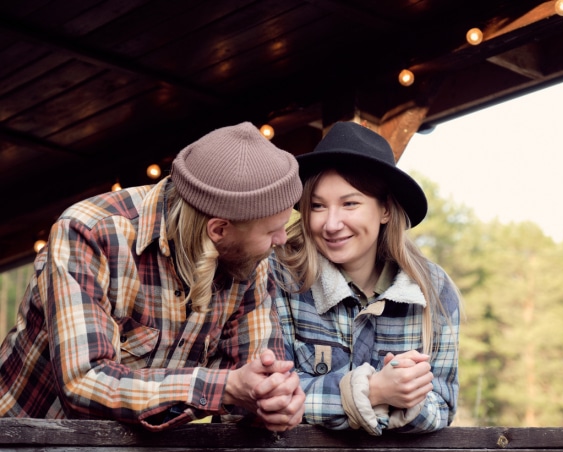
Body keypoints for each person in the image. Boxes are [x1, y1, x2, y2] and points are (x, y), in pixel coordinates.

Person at [0, 122, 305, 432]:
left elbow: (253, 383)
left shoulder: (249, 258)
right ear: (219, 230)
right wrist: (224, 387)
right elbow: (83, 383)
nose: (281, 239)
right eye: (271, 230)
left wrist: (273, 403)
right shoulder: (91, 231)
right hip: (24, 442)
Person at [272, 121, 461, 435]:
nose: (331, 224)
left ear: (385, 209)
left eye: (350, 204)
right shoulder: (279, 277)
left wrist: (403, 397)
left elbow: (443, 404)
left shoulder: (434, 289)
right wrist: (374, 392)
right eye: (318, 206)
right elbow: (265, 400)